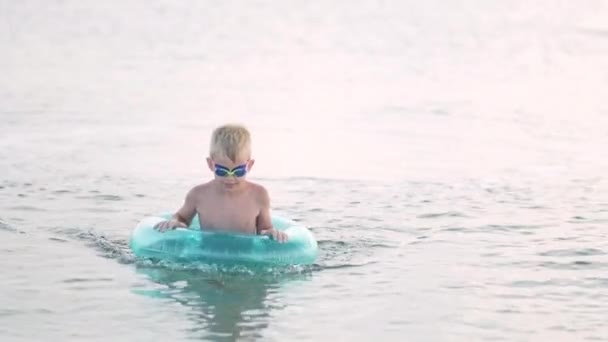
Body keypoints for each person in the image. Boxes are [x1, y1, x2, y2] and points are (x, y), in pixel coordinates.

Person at [153, 123, 288, 242]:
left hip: (244, 257)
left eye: (238, 171)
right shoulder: (199, 195)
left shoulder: (258, 195)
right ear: (211, 164)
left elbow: (264, 229)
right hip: (208, 256)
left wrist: (270, 233)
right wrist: (177, 222)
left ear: (249, 165)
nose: (230, 178)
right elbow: (182, 217)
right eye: (222, 171)